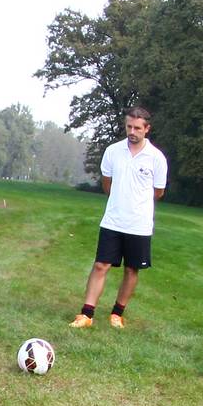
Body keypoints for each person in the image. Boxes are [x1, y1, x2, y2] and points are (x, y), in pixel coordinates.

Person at [71, 106, 167, 330]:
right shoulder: (113, 151)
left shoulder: (157, 158)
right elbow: (107, 183)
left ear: (147, 129)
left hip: (139, 225)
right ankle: (86, 314)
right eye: (129, 126)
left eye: (137, 128)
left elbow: (158, 192)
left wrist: (137, 203)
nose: (132, 131)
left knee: (132, 269)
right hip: (113, 221)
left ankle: (117, 313)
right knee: (100, 265)